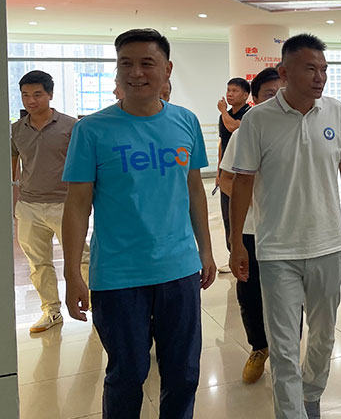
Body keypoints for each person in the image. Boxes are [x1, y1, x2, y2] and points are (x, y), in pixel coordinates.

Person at [61, 28, 216, 419]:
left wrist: (207, 251)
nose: (136, 73)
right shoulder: (91, 130)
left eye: (147, 63)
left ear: (167, 69)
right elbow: (77, 205)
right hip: (118, 275)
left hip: (179, 269)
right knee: (126, 375)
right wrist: (72, 273)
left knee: (183, 373)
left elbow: (194, 190)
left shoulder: (185, 121)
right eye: (125, 64)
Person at [229, 34, 341, 419]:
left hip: (328, 245)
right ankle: (291, 413)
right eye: (310, 69)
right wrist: (236, 241)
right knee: (284, 347)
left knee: (323, 337)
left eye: (323, 69)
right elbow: (242, 182)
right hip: (277, 250)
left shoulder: (336, 112)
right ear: (285, 72)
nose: (319, 77)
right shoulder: (257, 119)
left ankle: (311, 396)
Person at [10, 70, 90, 334]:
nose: (31, 101)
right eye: (25, 95)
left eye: (37, 94)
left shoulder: (71, 127)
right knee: (38, 263)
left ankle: (94, 304)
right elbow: (13, 168)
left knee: (81, 258)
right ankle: (51, 310)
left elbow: (84, 166)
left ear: (50, 95)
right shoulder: (16, 130)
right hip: (29, 206)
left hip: (65, 204)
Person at [218, 67, 283, 384]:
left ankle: (286, 352)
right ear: (255, 100)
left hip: (289, 232)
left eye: (282, 93)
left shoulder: (301, 131)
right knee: (250, 292)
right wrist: (256, 201)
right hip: (253, 230)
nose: (278, 100)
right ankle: (259, 347)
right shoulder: (244, 133)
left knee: (289, 295)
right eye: (270, 94)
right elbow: (226, 179)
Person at [216, 77, 251, 273]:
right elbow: (223, 142)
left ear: (246, 95)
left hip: (244, 171)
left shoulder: (249, 114)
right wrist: (219, 171)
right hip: (227, 172)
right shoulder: (225, 115)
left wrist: (222, 111)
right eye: (228, 90)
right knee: (227, 215)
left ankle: (246, 252)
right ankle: (233, 255)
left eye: (234, 91)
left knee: (242, 215)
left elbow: (233, 128)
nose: (229, 94)